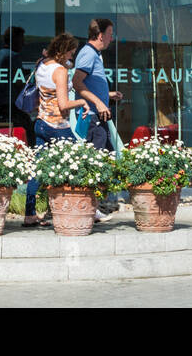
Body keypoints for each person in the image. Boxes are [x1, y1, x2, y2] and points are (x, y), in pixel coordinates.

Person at [22, 33, 87, 228]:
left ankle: (30, 214)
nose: (72, 57)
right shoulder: (60, 71)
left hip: (41, 123)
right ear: (62, 51)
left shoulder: (41, 64)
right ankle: (81, 208)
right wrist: (83, 101)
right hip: (57, 126)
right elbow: (64, 104)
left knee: (36, 170)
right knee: (80, 161)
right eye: (70, 53)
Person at [72, 18, 123, 152]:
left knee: (106, 156)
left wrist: (108, 95)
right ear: (101, 36)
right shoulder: (89, 53)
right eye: (110, 34)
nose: (111, 39)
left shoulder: (94, 53)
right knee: (99, 159)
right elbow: (76, 83)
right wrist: (99, 103)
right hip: (92, 116)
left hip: (96, 115)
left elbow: (88, 85)